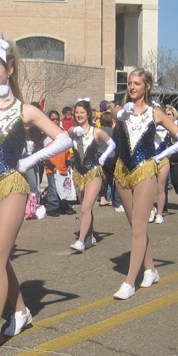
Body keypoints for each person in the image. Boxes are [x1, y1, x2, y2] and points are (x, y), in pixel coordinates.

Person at [0, 37, 71, 356]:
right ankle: (21, 311)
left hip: (12, 185)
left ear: (10, 69)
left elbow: (63, 139)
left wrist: (31, 159)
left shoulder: (27, 110)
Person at [112, 68, 178, 300]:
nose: (132, 87)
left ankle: (129, 282)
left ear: (147, 86)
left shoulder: (155, 113)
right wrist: (120, 113)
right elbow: (113, 112)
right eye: (129, 83)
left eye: (137, 83)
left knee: (139, 228)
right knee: (135, 227)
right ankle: (151, 269)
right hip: (122, 171)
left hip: (145, 171)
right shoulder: (122, 110)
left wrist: (159, 156)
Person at [67, 99, 115, 252]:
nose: (79, 115)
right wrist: (75, 131)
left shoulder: (97, 131)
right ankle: (91, 236)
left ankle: (80, 241)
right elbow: (68, 132)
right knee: (85, 208)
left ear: (88, 113)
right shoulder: (73, 131)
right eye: (77, 112)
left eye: (82, 112)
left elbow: (112, 144)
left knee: (86, 208)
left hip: (93, 172)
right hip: (78, 173)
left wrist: (104, 156)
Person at [43, 110, 75, 217]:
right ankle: (52, 208)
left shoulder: (63, 133)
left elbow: (67, 152)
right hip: (52, 168)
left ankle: (64, 207)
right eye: (53, 119)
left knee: (65, 188)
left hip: (63, 167)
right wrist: (52, 166)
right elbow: (44, 155)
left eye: (57, 119)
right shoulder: (46, 136)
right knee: (53, 189)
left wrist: (68, 163)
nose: (55, 121)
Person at [151, 104, 178, 224]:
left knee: (161, 188)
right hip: (149, 159)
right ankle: (151, 209)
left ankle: (160, 214)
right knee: (149, 188)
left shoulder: (170, 126)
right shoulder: (149, 125)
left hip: (163, 159)